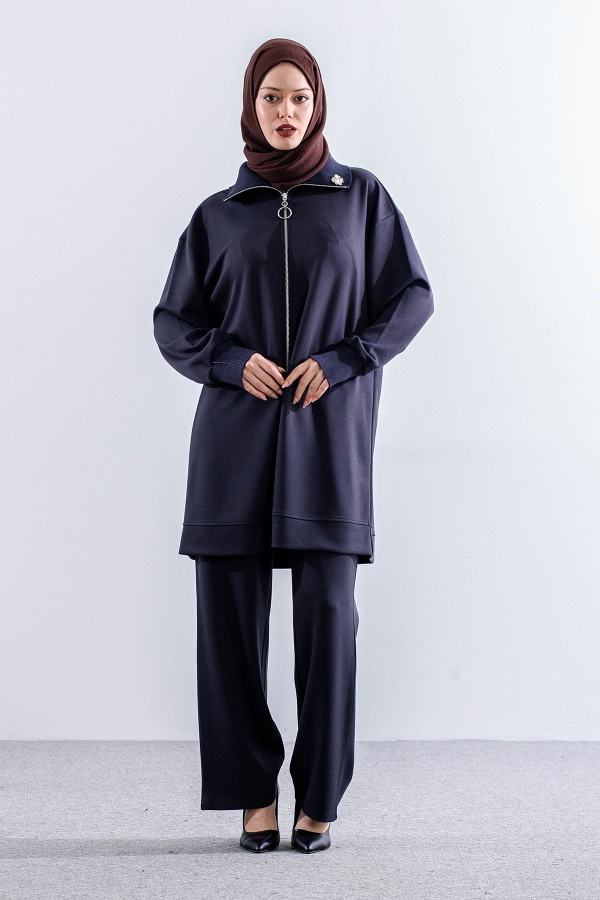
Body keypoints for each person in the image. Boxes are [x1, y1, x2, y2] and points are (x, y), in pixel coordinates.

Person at [153, 37, 434, 854]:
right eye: (271, 97)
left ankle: (319, 798)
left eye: (299, 98)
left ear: (319, 105)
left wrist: (345, 360)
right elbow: (173, 322)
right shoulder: (217, 214)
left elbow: (412, 298)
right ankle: (252, 795)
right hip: (233, 448)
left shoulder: (362, 198)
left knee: (328, 623)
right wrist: (230, 362)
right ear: (251, 104)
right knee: (229, 633)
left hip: (327, 444)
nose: (286, 112)